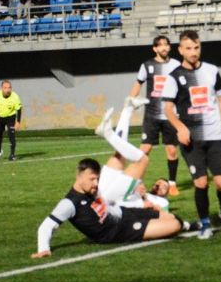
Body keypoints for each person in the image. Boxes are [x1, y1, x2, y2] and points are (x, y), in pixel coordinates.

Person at [31, 101, 193, 259]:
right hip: (118, 230)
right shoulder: (70, 203)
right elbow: (47, 226)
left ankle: (126, 111)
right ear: (78, 177)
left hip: (123, 211)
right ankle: (111, 129)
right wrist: (43, 248)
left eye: (97, 179)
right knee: (174, 223)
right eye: (92, 179)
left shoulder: (94, 189)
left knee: (120, 155)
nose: (95, 183)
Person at [163, 30, 221, 240]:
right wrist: (180, 127)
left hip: (215, 135)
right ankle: (205, 223)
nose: (193, 52)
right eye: (188, 48)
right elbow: (168, 109)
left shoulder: (212, 70)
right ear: (180, 50)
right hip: (192, 139)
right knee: (201, 183)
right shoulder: (174, 77)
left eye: (196, 47)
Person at [130, 35, 183, 196]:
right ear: (155, 48)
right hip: (151, 114)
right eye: (160, 45)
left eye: (166, 45)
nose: (164, 48)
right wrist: (130, 101)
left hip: (170, 114)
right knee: (144, 150)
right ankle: (134, 182)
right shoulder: (147, 65)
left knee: (172, 150)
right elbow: (138, 83)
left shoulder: (176, 65)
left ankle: (172, 184)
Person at [0, 80, 23, 161]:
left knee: (11, 135)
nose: (7, 89)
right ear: (2, 88)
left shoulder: (15, 96)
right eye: (5, 87)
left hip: (10, 117)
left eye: (9, 87)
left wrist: (18, 122)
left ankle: (12, 155)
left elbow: (19, 109)